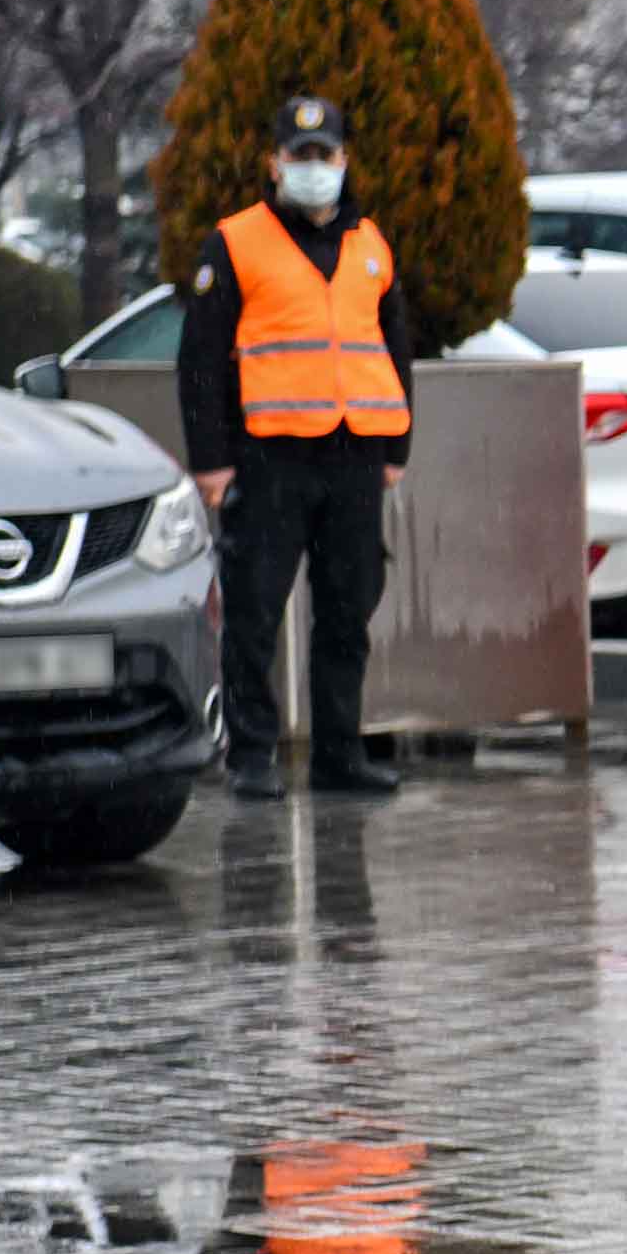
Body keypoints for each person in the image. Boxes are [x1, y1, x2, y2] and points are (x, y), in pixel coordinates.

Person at [177, 93, 420, 800]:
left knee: (348, 610)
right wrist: (211, 460)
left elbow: (394, 346)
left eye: (325, 155)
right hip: (270, 456)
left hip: (354, 454)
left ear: (344, 160)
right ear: (275, 163)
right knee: (254, 611)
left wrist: (397, 447)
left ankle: (339, 755)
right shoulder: (235, 242)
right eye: (300, 155)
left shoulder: (370, 244)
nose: (314, 167)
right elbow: (201, 360)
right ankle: (252, 755)